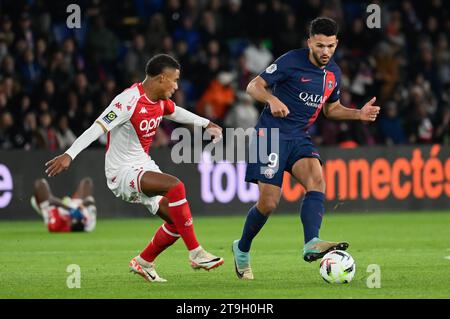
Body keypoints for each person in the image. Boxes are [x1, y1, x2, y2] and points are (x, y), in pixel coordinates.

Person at [45, 54, 224, 282]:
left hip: (144, 165)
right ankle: (196, 252)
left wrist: (206, 123)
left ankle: (144, 262)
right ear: (161, 79)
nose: (177, 86)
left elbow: (175, 111)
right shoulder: (127, 101)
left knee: (177, 221)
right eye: (174, 80)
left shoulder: (159, 100)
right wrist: (69, 154)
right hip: (122, 172)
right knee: (176, 187)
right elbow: (97, 127)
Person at [232, 17, 380, 280]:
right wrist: (272, 98)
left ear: (337, 44)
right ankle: (242, 249)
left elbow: (331, 109)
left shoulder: (334, 73)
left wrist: (358, 114)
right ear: (309, 41)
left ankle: (312, 240)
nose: (325, 52)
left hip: (299, 136)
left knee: (317, 180)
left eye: (330, 46)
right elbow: (253, 85)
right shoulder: (290, 61)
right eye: (320, 45)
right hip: (271, 134)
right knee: (268, 204)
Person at [30, 177, 97, 233]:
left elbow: (51, 202)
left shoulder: (57, 224)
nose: (70, 220)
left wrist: (69, 209)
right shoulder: (88, 224)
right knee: (87, 182)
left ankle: (40, 207)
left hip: (57, 207)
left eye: (70, 221)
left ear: (69, 225)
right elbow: (90, 200)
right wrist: (79, 207)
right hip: (74, 204)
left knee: (40, 183)